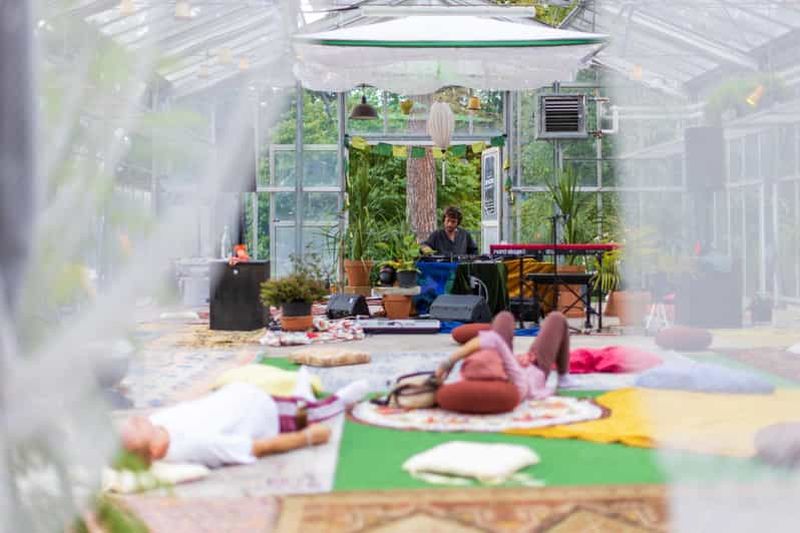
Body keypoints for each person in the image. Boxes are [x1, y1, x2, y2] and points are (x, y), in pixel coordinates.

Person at [120, 373, 369, 468]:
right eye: (136, 428)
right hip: (265, 417)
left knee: (295, 404)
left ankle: (301, 395)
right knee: (316, 413)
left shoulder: (156, 420)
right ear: (153, 450)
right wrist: (307, 437)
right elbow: (253, 448)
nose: (135, 420)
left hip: (241, 397)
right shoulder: (193, 446)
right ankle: (338, 401)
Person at [434, 311, 573, 413]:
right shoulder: (517, 384)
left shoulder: (472, 374)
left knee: (504, 317)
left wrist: (448, 363)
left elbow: (494, 341)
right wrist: (449, 361)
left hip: (509, 359)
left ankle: (489, 335)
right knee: (557, 318)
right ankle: (564, 377)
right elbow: (494, 340)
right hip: (535, 365)